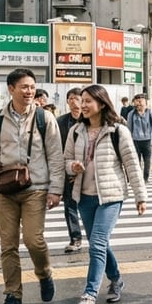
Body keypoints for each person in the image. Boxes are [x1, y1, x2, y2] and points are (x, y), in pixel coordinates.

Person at [0, 68, 64, 304]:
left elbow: (56, 156)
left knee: (33, 240)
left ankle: (44, 274)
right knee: (8, 245)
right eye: (24, 87)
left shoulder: (45, 118)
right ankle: (13, 295)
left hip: (36, 188)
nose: (29, 91)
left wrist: (56, 189)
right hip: (5, 189)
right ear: (11, 89)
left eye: (32, 87)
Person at [64, 85, 147, 304]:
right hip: (85, 197)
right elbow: (66, 160)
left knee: (98, 243)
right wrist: (73, 166)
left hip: (111, 197)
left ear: (101, 103)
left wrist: (141, 196)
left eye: (88, 101)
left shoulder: (117, 130)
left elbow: (131, 164)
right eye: (82, 101)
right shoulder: (76, 131)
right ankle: (117, 279)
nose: (83, 105)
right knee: (98, 244)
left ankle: (89, 295)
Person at [56, 87, 84, 252]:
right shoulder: (60, 122)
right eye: (71, 98)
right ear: (67, 101)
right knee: (69, 205)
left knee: (88, 205)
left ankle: (96, 236)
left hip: (87, 170)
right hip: (67, 169)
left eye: (77, 98)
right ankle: (75, 238)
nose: (74, 102)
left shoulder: (90, 120)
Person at [125, 93, 152, 183]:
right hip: (135, 141)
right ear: (135, 103)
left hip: (147, 140)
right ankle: (139, 178)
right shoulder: (131, 114)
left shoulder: (149, 113)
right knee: (137, 161)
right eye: (137, 101)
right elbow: (129, 129)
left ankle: (145, 178)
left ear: (145, 102)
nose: (139, 103)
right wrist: (128, 142)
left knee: (147, 161)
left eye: (141, 101)